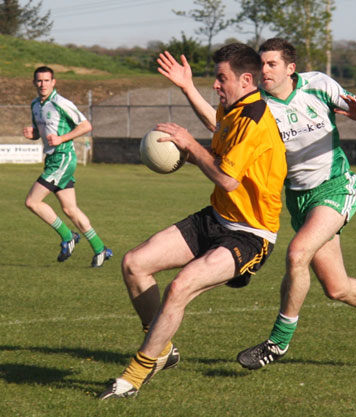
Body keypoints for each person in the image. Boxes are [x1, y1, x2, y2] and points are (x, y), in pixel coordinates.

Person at [154, 38, 356, 372]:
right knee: (337, 287)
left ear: (290, 68)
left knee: (297, 254)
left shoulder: (319, 85)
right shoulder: (258, 105)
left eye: (271, 65)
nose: (264, 71)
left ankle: (277, 343)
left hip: (335, 186)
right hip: (298, 199)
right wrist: (186, 87)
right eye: (262, 64)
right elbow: (219, 123)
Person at [99, 43, 287, 399]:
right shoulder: (234, 110)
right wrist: (186, 89)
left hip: (250, 235)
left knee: (181, 286)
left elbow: (228, 179)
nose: (215, 85)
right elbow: (217, 132)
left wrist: (189, 144)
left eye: (221, 78)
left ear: (246, 80)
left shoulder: (256, 118)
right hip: (216, 218)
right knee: (134, 264)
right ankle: (163, 349)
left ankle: (134, 377)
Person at [23, 66, 112, 268]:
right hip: (52, 159)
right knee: (70, 209)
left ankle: (68, 236)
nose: (42, 84)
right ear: (34, 82)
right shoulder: (35, 104)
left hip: (63, 158)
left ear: (53, 82)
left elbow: (86, 126)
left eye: (46, 80)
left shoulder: (61, 103)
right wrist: (33, 134)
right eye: (39, 80)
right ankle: (101, 249)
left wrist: (62, 138)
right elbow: (42, 132)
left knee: (32, 202)